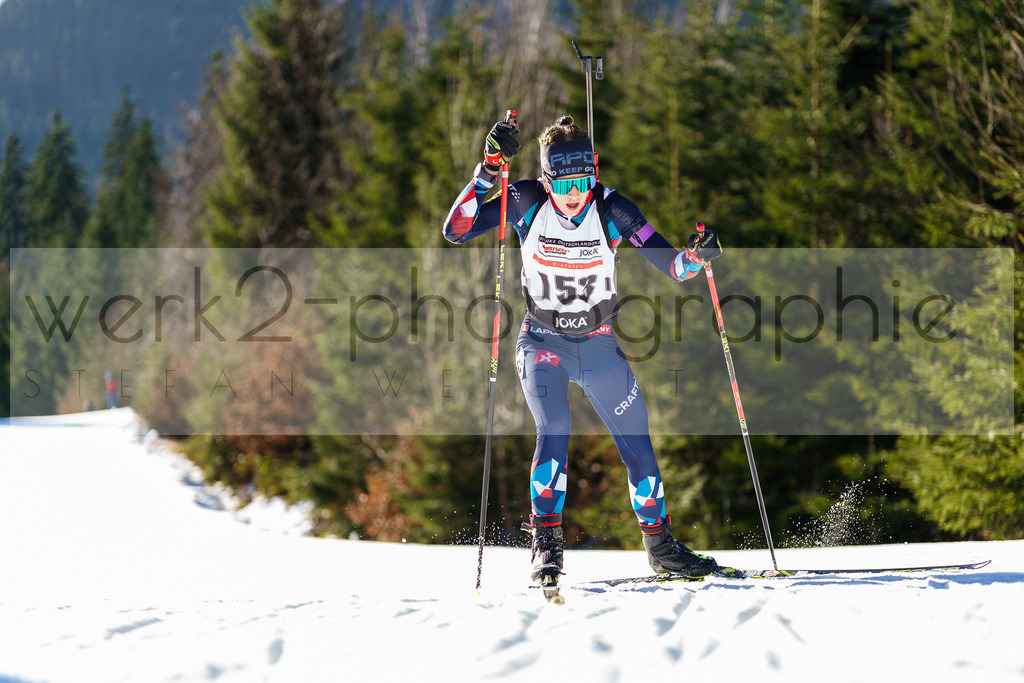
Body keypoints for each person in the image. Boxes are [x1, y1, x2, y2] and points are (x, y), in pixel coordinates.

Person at [442, 115, 724, 586]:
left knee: (639, 444)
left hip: (598, 345)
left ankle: (661, 550)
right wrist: (489, 168)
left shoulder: (613, 210)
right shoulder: (526, 199)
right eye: (563, 183)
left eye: (583, 180)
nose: (574, 193)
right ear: (547, 179)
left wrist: (698, 256)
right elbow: (456, 229)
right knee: (555, 427)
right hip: (543, 342)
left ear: (593, 172)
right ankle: (547, 550)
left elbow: (674, 267)